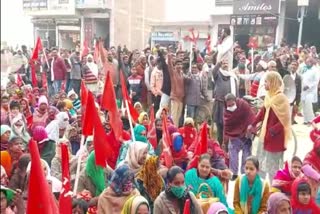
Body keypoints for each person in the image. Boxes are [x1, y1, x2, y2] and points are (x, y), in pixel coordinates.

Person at [248, 71, 291, 180]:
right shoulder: (268, 96)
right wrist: (252, 124)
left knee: (273, 167)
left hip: (275, 139)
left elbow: (284, 120)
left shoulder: (282, 99)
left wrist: (272, 131)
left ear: (273, 82)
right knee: (260, 162)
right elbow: (262, 113)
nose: (265, 84)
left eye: (266, 82)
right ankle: (260, 186)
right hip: (265, 136)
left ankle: (273, 190)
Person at [223, 93, 255, 180]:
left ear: (236, 101)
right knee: (233, 155)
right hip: (234, 136)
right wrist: (224, 141)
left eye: (232, 104)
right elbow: (226, 125)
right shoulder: (226, 111)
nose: (231, 106)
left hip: (245, 134)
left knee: (246, 155)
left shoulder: (243, 104)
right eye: (229, 105)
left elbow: (251, 117)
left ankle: (245, 173)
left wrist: (250, 128)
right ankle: (234, 173)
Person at [212, 58, 238, 145]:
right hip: (219, 104)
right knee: (220, 126)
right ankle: (220, 144)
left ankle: (227, 145)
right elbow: (213, 71)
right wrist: (219, 63)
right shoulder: (218, 74)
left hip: (229, 105)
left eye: (227, 63)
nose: (225, 64)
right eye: (224, 63)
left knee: (228, 126)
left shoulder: (232, 76)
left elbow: (236, 92)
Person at [301, 57, 320, 124]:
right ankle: (305, 120)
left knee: (308, 104)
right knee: (303, 104)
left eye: (309, 62)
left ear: (312, 62)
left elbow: (316, 81)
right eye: (306, 62)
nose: (307, 63)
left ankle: (311, 120)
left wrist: (309, 86)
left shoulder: (315, 70)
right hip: (303, 90)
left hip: (311, 91)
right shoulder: (304, 68)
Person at [167, 53, 185, 127]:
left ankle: (176, 131)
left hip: (181, 99)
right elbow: (170, 66)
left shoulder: (182, 74)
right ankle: (173, 132)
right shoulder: (173, 72)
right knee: (174, 118)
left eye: (180, 64)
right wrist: (169, 58)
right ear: (175, 65)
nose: (179, 66)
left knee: (178, 117)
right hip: (174, 98)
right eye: (178, 64)